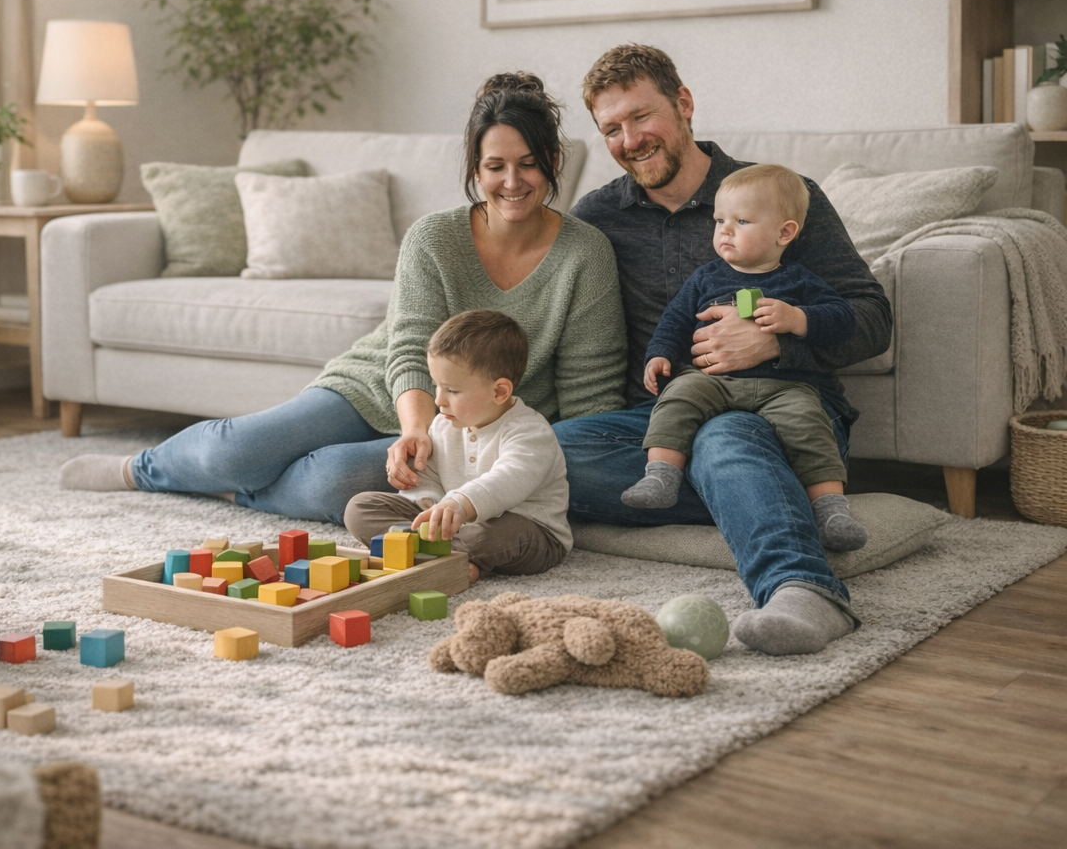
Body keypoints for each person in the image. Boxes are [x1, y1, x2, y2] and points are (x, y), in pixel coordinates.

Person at [60, 72, 626, 525]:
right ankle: (144, 469)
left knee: (333, 481)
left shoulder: (585, 254)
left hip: (482, 428)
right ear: (475, 170)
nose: (512, 182)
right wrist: (415, 432)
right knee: (242, 449)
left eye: (529, 164)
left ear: (554, 162)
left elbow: (589, 398)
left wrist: (521, 463)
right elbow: (407, 349)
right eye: (495, 166)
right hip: (379, 387)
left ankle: (238, 497)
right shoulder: (435, 237)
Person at [558, 44, 892, 657]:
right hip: (664, 424)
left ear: (683, 104)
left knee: (725, 436)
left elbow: (873, 321)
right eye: (611, 128)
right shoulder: (598, 216)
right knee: (540, 452)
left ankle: (804, 589)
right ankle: (756, 498)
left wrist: (775, 339)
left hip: (788, 413)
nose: (630, 139)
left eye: (642, 116)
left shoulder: (781, 198)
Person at [621, 163, 868, 554]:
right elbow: (675, 321)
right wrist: (659, 356)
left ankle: (832, 511)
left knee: (809, 421)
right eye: (720, 220)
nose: (725, 231)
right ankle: (661, 476)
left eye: (742, 221)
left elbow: (843, 319)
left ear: (784, 232)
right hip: (712, 380)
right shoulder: (706, 278)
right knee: (679, 395)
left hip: (782, 386)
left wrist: (800, 318)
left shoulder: (799, 280)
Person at [343, 310, 570, 583]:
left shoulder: (531, 432)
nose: (439, 400)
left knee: (487, 536)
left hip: (529, 530)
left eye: (452, 390)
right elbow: (428, 477)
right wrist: (423, 499)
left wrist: (458, 504)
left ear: (499, 392)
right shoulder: (443, 424)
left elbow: (508, 480)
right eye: (436, 386)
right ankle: (443, 559)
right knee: (359, 509)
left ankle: (431, 558)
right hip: (454, 524)